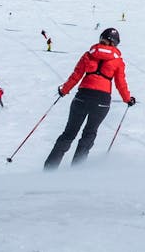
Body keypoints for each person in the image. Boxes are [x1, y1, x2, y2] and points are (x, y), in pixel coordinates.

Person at [44, 27, 134, 169]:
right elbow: (120, 83)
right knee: (88, 135)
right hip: (102, 101)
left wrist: (64, 90)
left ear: (101, 39)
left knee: (69, 133)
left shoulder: (88, 55)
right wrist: (128, 99)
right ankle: (76, 173)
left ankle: (49, 171)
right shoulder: (118, 61)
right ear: (115, 44)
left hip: (82, 97)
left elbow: (76, 76)